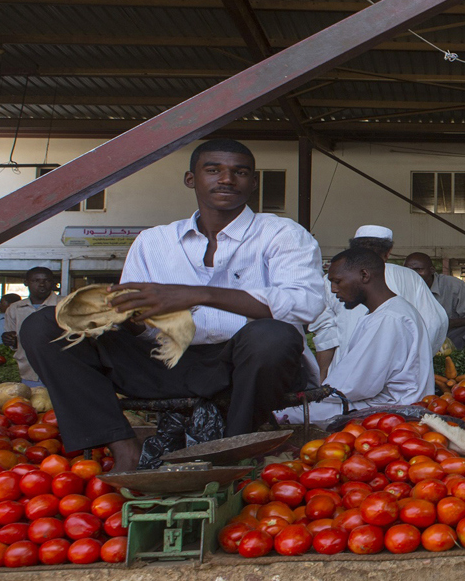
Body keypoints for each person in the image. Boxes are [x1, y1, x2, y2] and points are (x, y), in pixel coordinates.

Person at [20, 139, 324, 472]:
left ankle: (235, 450)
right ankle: (123, 446)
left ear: (253, 183)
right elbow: (139, 326)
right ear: (191, 179)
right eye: (213, 170)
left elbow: (304, 303)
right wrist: (121, 315)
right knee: (43, 326)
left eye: (240, 172)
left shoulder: (281, 233)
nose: (227, 179)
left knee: (272, 335)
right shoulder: (154, 241)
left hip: (247, 368)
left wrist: (197, 294)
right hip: (166, 363)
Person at [289, 248, 433, 424]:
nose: (333, 290)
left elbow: (351, 387)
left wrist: (303, 395)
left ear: (364, 275)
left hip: (392, 411)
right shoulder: (387, 312)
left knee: (289, 414)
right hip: (384, 403)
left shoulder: (388, 318)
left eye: (337, 281)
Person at [310, 226, 447, 379]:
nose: (335, 289)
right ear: (389, 252)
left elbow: (326, 334)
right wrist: (416, 360)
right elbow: (434, 322)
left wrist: (323, 376)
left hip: (345, 374)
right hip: (400, 378)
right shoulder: (410, 277)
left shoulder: (331, 279)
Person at [403, 253, 465, 351]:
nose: (413, 274)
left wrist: (448, 323)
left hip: (450, 336)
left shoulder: (453, 285)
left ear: (432, 270)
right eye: (408, 270)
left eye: (418, 270)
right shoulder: (398, 286)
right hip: (413, 337)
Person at [3, 268, 60, 387]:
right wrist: (11, 340)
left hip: (59, 371)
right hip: (28, 372)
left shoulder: (64, 305)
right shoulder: (15, 308)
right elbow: (14, 343)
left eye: (47, 280)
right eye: (36, 280)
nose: (42, 284)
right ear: (26, 283)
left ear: (53, 283)